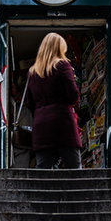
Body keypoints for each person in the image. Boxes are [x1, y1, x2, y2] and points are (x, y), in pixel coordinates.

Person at [24, 31, 82, 169]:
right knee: (74, 166)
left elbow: (29, 101)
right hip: (62, 122)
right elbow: (73, 94)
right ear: (60, 49)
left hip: (41, 124)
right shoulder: (62, 66)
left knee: (43, 167)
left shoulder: (32, 72)